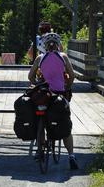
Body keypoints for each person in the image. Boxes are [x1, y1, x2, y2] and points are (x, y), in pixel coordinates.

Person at [28, 32, 78, 170]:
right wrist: (66, 86)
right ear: (58, 44)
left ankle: (40, 150)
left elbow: (30, 76)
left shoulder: (39, 58)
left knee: (40, 121)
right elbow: (72, 76)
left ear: (44, 45)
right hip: (59, 95)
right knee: (65, 124)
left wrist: (37, 84)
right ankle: (71, 156)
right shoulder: (63, 57)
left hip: (44, 95)